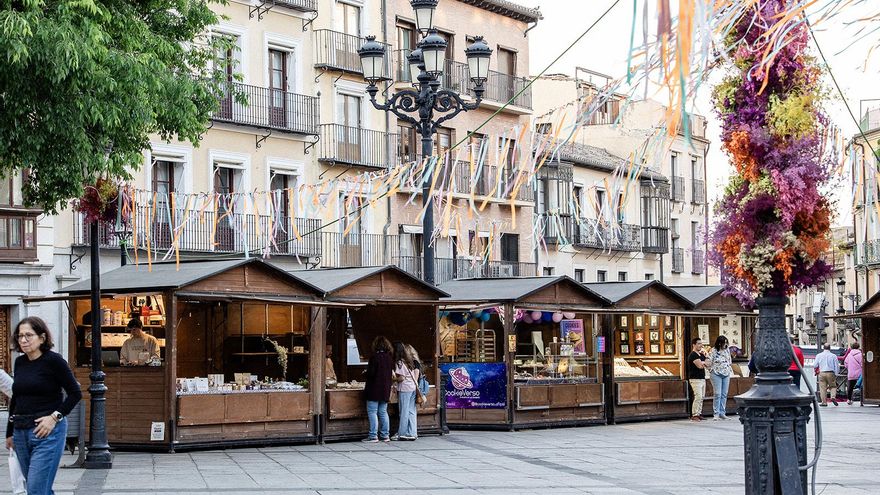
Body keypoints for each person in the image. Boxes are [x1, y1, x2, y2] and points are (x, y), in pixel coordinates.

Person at [5, 316, 82, 495]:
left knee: (36, 489)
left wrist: (55, 417)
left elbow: (75, 393)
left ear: (42, 337)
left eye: (28, 335)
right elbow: (17, 398)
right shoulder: (20, 362)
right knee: (41, 490)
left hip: (47, 433)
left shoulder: (54, 361)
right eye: (19, 336)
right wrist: (10, 432)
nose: (23, 340)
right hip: (21, 432)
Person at [363, 336, 393, 443]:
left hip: (374, 389)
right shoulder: (389, 358)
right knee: (383, 412)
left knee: (372, 412)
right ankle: (385, 435)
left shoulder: (374, 357)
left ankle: (373, 436)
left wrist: (365, 373)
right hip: (385, 389)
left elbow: (371, 373)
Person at [391, 341, 419, 441]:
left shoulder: (399, 362)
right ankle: (412, 432)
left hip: (404, 388)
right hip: (412, 387)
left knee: (403, 411)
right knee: (411, 410)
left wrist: (394, 379)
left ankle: (402, 433)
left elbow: (401, 378)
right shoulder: (409, 361)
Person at [708, 335, 733, 420]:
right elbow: (709, 361)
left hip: (726, 373)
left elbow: (729, 360)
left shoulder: (727, 350)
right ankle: (716, 413)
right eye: (724, 343)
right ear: (719, 343)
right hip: (716, 373)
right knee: (717, 393)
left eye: (726, 343)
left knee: (724, 394)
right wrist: (710, 370)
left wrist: (729, 368)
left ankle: (722, 412)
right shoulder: (713, 351)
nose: (725, 345)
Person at [687, 337, 710, 421]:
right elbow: (700, 366)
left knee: (702, 397)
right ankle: (694, 414)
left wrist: (705, 360)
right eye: (699, 343)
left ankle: (699, 413)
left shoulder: (702, 355)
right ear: (694, 345)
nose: (701, 345)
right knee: (698, 396)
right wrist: (703, 363)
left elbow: (708, 364)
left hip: (702, 378)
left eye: (701, 343)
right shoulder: (693, 355)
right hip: (695, 379)